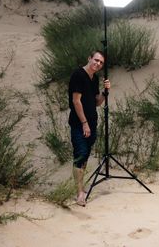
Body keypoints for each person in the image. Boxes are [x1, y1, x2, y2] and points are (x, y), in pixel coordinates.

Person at [68, 50, 110, 207]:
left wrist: (106, 92)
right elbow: (76, 101)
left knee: (85, 156)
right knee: (80, 154)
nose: (98, 64)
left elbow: (96, 101)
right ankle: (79, 194)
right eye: (96, 60)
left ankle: (81, 188)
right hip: (80, 123)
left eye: (101, 63)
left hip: (92, 123)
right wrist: (84, 123)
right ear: (89, 58)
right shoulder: (78, 75)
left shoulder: (94, 78)